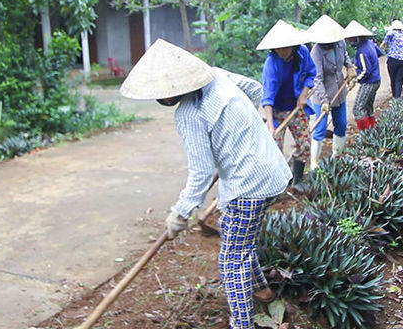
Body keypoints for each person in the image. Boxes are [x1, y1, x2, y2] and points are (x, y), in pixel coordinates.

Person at [119, 39, 291, 329]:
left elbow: (200, 173)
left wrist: (180, 213)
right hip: (272, 173)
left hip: (248, 188)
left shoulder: (188, 113)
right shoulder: (217, 74)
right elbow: (255, 90)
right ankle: (264, 291)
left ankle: (243, 325)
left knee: (231, 263)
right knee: (239, 239)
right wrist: (246, 129)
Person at [258, 19, 316, 190]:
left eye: (285, 47)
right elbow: (267, 96)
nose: (281, 51)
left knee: (305, 143)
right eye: (278, 47)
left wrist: (304, 93)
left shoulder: (303, 53)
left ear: (293, 45)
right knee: (274, 147)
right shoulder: (271, 63)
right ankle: (277, 185)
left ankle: (297, 179)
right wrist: (270, 124)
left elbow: (312, 74)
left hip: (297, 106)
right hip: (276, 110)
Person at [308, 15, 357, 169]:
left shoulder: (340, 43)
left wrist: (349, 67)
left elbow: (346, 57)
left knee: (341, 124)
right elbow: (317, 79)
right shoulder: (316, 52)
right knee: (320, 129)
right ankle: (314, 163)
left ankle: (337, 157)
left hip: (339, 92)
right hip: (322, 95)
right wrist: (324, 100)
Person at [345, 20, 381, 130]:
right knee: (368, 108)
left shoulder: (362, 51)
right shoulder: (369, 43)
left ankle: (365, 135)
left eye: (351, 38)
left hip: (370, 82)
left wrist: (355, 80)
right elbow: (379, 53)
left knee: (358, 109)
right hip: (376, 79)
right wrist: (357, 66)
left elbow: (366, 71)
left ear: (357, 37)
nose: (349, 41)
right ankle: (373, 131)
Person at [380, 19, 403, 98]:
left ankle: (394, 96)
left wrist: (380, 50)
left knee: (393, 79)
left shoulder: (390, 33)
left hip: (393, 59)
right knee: (399, 80)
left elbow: (383, 44)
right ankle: (398, 98)